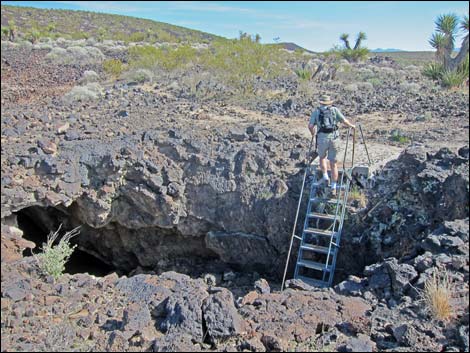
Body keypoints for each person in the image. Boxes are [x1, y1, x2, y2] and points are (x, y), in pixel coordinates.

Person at [308, 94, 356, 196]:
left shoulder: (316, 112)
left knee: (322, 158)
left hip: (322, 139)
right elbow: (344, 121)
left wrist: (313, 133)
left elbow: (310, 125)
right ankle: (334, 187)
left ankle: (325, 177)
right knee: (333, 164)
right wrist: (352, 126)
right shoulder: (334, 110)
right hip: (334, 139)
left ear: (320, 102)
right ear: (329, 102)